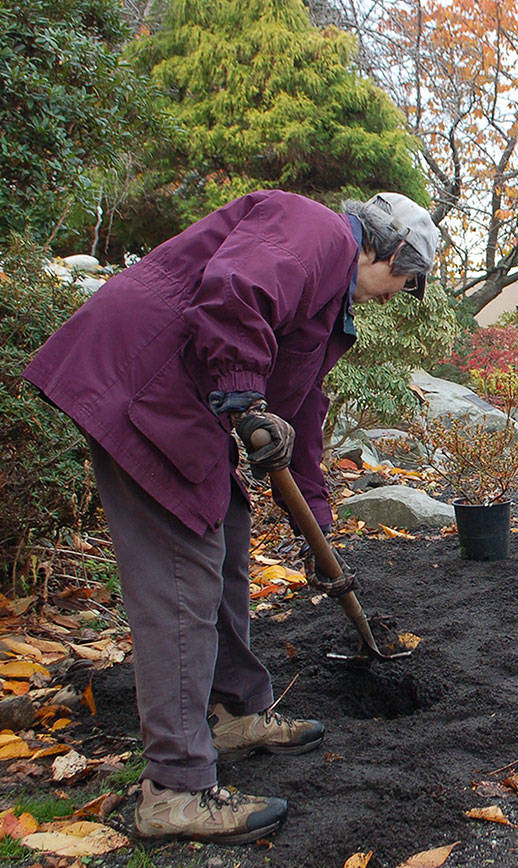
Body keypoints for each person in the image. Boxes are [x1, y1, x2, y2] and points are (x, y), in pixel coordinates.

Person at [23, 190, 437, 843]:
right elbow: (235, 289)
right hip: (148, 381)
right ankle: (177, 790)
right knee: (183, 572)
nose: (394, 297)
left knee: (231, 526)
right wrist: (244, 396)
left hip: (187, 398)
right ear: (387, 248)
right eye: (403, 282)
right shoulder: (319, 231)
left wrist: (315, 527)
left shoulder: (331, 297)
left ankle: (231, 707)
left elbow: (299, 413)